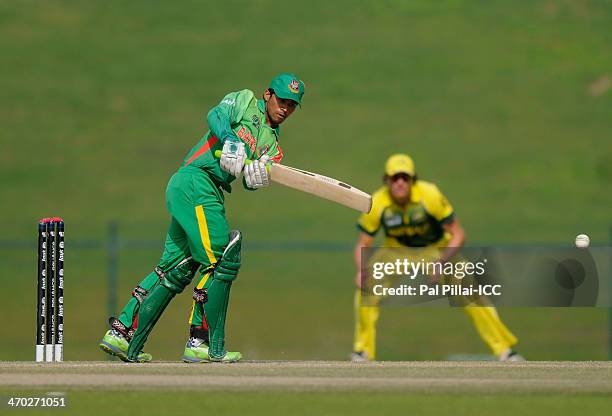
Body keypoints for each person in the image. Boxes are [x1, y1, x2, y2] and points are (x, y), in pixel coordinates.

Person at [99, 73, 305, 363]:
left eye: (292, 105)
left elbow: (249, 179)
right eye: (282, 100)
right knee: (220, 260)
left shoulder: (273, 145)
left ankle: (122, 334)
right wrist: (229, 138)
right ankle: (202, 341)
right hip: (197, 181)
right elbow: (216, 115)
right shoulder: (245, 100)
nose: (285, 108)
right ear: (268, 94)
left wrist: (256, 178)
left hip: (208, 190)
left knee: (175, 267)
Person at [352, 154, 524, 362]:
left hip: (435, 249)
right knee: (366, 289)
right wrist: (362, 270)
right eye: (394, 177)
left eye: (404, 178)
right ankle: (363, 351)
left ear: (413, 180)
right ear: (386, 180)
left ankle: (505, 350)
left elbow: (458, 234)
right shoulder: (377, 202)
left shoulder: (429, 195)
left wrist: (442, 262)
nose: (400, 183)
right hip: (396, 250)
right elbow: (363, 243)